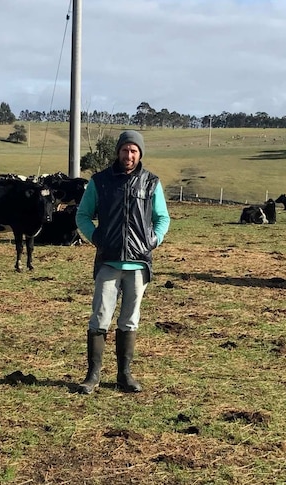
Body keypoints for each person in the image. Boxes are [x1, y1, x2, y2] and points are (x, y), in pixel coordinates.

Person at [74, 130, 171, 394]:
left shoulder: (151, 183)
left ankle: (124, 375)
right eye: (125, 150)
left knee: (130, 319)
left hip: (139, 264)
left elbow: (163, 218)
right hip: (109, 261)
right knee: (100, 316)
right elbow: (82, 215)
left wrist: (153, 240)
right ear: (118, 151)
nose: (129, 155)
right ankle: (92, 376)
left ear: (140, 154)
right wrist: (97, 238)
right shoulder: (100, 182)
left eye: (134, 151)